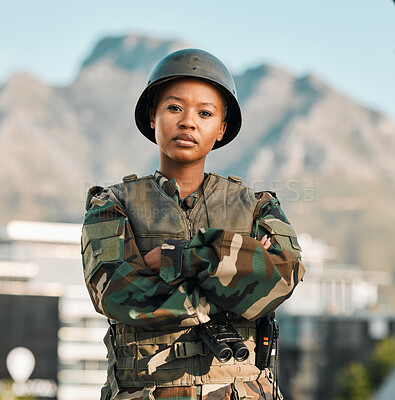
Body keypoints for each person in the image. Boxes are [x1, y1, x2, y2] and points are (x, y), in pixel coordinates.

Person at [81, 49, 305, 400]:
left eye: (205, 113)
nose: (188, 122)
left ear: (221, 129)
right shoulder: (111, 204)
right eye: (174, 108)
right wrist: (237, 276)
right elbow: (119, 295)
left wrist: (182, 258)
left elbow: (284, 279)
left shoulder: (257, 206)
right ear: (153, 117)